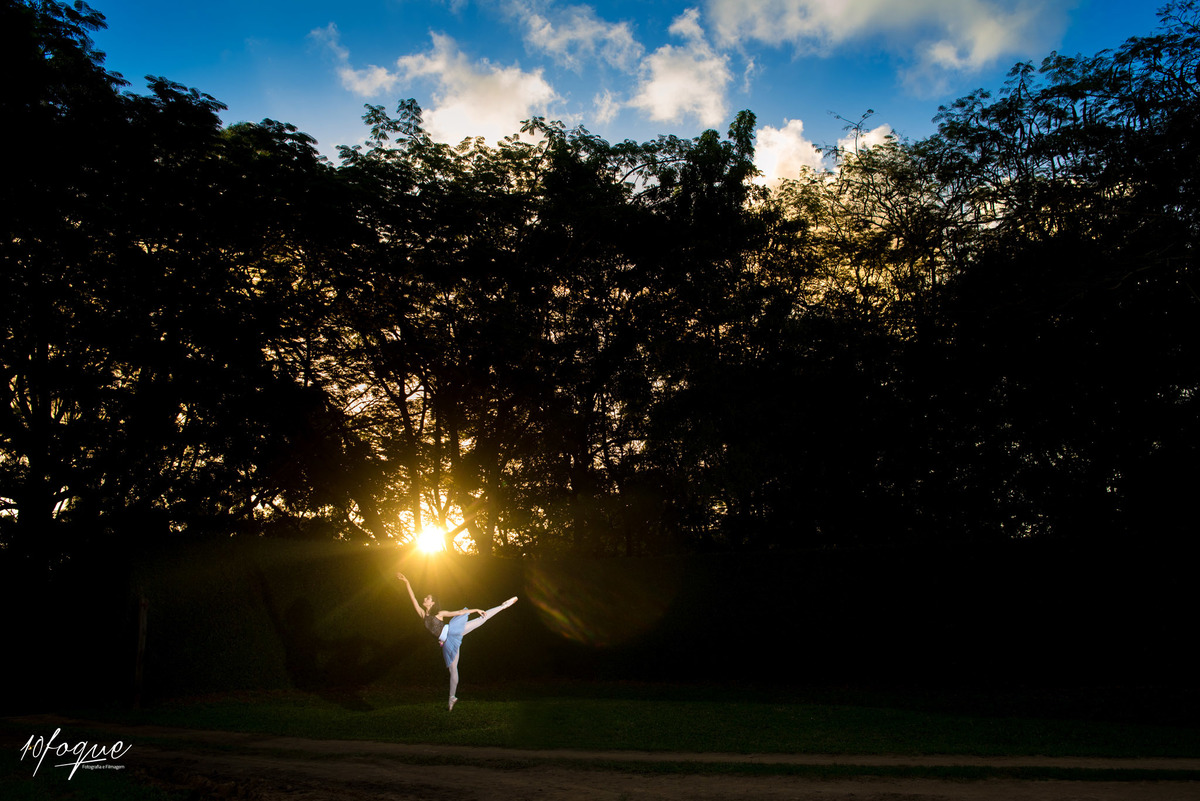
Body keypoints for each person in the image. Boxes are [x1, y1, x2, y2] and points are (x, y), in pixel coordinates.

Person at [397, 572, 517, 710]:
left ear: (432, 602)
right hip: (447, 642)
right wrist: (407, 582)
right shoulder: (423, 614)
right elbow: (412, 598)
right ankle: (451, 698)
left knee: (480, 620)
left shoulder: (439, 614)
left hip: (452, 631)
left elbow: (459, 612)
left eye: (428, 598)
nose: (425, 598)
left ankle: (503, 606)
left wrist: (476, 609)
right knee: (453, 669)